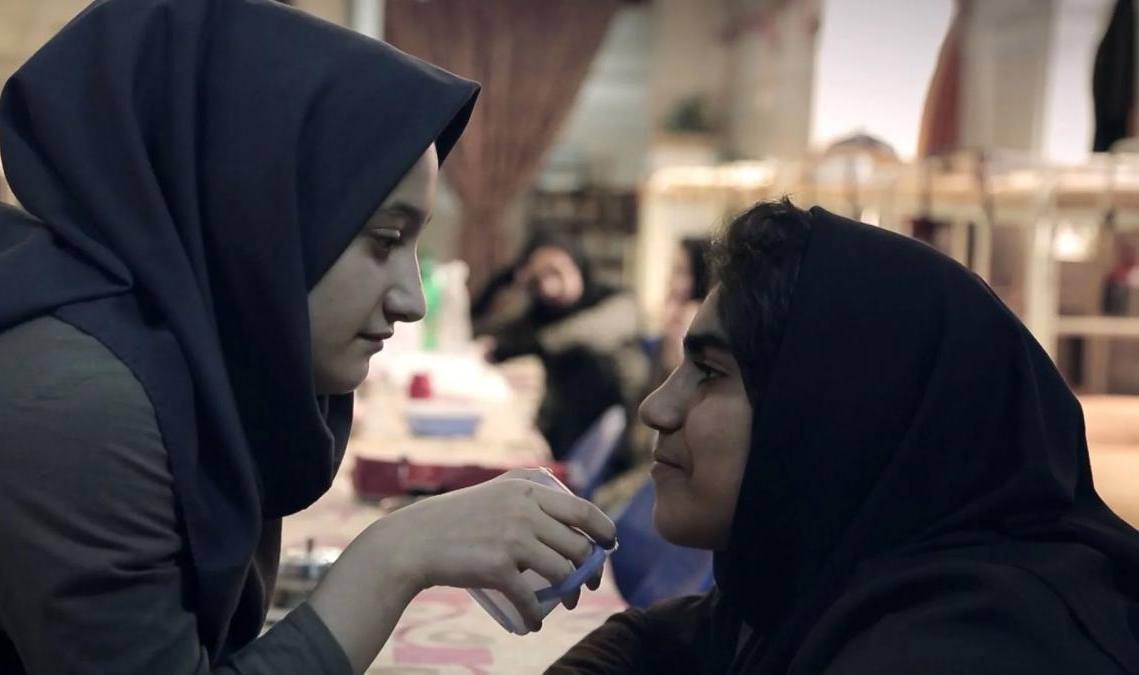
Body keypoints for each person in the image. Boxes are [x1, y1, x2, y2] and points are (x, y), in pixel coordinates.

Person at [0, 2, 616, 673]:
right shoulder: (70, 398)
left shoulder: (164, 346)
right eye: (385, 238)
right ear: (251, 214)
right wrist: (396, 555)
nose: (411, 299)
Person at [550, 199, 1139, 674]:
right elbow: (659, 637)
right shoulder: (832, 569)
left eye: (709, 373)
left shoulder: (964, 649)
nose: (657, 407)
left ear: (834, 407)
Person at [473, 231, 649, 470]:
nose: (549, 287)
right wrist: (506, 278)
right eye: (539, 278)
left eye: (556, 272)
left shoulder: (616, 301)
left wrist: (523, 347)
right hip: (556, 434)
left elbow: (571, 336)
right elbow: (482, 330)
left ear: (577, 263)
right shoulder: (544, 312)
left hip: (618, 442)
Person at [655, 237, 710, 383]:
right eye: (673, 270)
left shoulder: (696, 318)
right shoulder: (673, 315)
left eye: (681, 271)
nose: (671, 280)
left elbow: (681, 375)